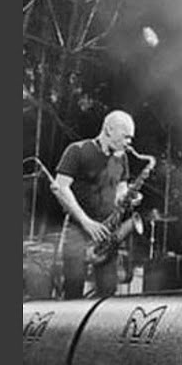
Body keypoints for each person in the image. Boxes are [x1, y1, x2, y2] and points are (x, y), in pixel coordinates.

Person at [51, 110, 142, 299]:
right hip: (78, 231)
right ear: (109, 130)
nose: (129, 142)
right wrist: (87, 222)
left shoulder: (121, 157)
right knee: (73, 293)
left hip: (106, 233)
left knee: (108, 295)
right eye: (125, 136)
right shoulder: (77, 150)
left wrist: (128, 197)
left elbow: (121, 189)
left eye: (130, 138)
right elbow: (60, 187)